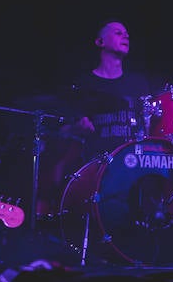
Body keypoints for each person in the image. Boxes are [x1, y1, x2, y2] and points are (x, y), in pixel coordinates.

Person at [26, 18, 159, 222]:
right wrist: (76, 129)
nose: (126, 36)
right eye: (117, 32)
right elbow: (62, 132)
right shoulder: (85, 84)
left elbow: (150, 127)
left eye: (126, 33)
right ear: (100, 42)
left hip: (135, 166)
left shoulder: (138, 83)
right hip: (96, 169)